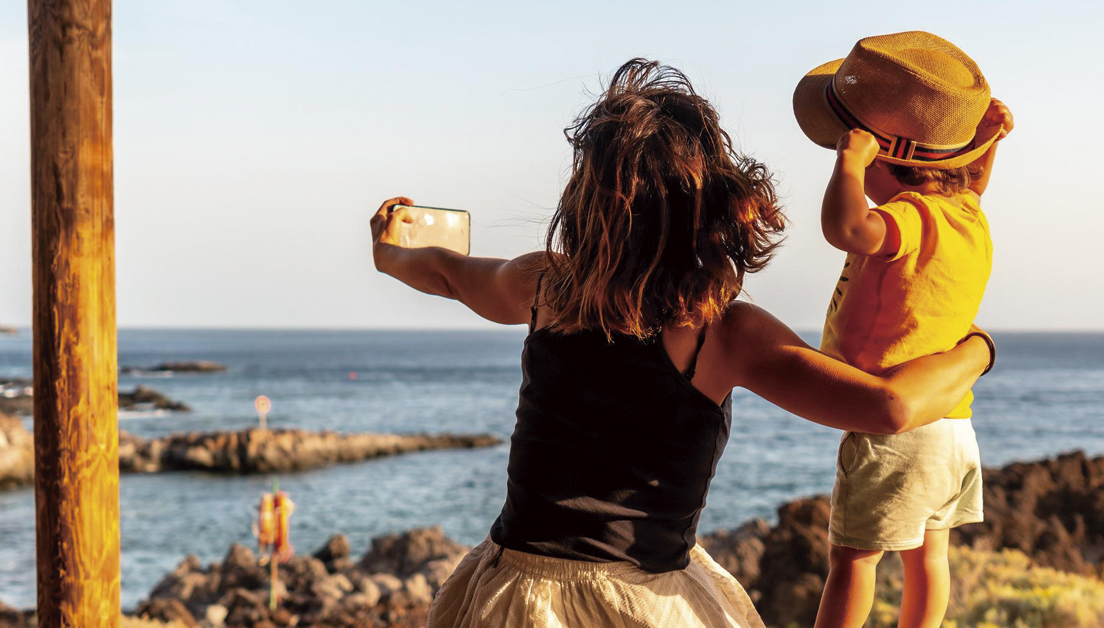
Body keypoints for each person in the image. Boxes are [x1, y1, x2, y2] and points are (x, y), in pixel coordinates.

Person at [371, 58, 994, 628]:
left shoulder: (544, 285)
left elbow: (448, 273)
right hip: (642, 600)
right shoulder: (724, 331)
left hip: (516, 594)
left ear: (586, 200)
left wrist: (389, 253)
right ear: (717, 201)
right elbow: (891, 407)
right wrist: (977, 350)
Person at [791, 31, 1014, 628]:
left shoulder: (910, 218)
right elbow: (974, 184)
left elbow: (846, 230)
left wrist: (848, 163)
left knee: (853, 559)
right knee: (929, 554)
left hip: (895, 427)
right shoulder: (966, 214)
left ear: (885, 161)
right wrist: (989, 142)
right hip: (952, 423)